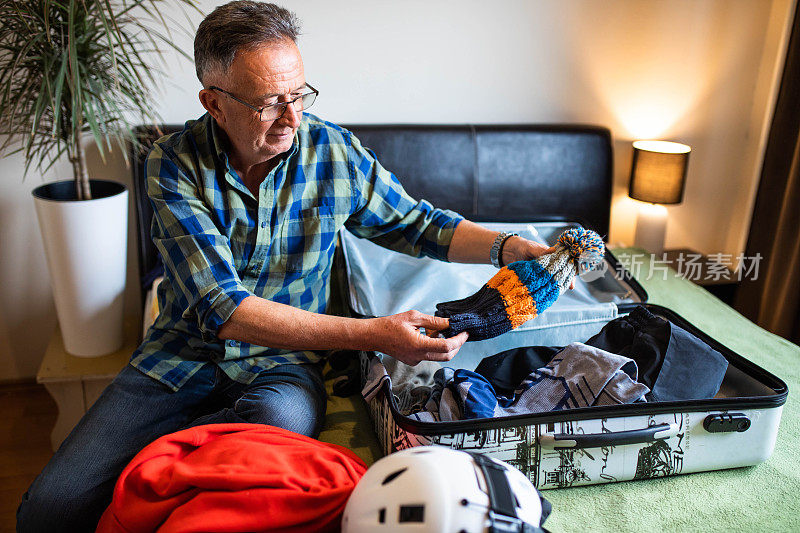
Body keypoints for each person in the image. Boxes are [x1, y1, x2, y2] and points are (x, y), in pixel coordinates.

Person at [17, 2, 560, 531]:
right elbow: (222, 308)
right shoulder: (171, 164)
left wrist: (508, 247)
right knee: (48, 510)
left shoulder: (334, 152)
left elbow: (419, 225)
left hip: (284, 368)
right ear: (214, 102)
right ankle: (160, 462)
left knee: (279, 424)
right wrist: (375, 335)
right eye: (269, 102)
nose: (293, 116)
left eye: (299, 93)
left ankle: (157, 471)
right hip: (180, 356)